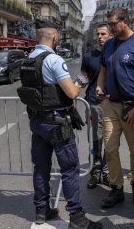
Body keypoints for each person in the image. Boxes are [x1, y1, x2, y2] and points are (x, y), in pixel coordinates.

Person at [18, 20, 102, 229]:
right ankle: (77, 218)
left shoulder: (27, 58)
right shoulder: (54, 60)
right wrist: (80, 82)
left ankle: (41, 209)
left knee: (41, 167)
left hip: (37, 122)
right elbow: (72, 93)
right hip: (57, 123)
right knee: (70, 169)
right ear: (54, 36)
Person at [96, 7, 134, 208]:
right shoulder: (109, 45)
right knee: (110, 149)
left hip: (132, 106)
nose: (110, 27)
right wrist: (99, 86)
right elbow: (103, 70)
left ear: (125, 21)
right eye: (108, 23)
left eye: (113, 24)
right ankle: (116, 189)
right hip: (110, 104)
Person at [81, 23, 112, 189]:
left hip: (112, 103)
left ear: (110, 35)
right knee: (96, 140)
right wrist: (72, 88)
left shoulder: (114, 54)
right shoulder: (88, 56)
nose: (100, 37)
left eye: (103, 34)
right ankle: (95, 171)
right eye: (98, 34)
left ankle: (106, 172)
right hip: (93, 103)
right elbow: (84, 77)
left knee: (110, 140)